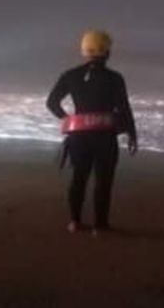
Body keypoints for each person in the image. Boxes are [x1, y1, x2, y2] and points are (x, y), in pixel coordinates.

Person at [46, 30, 138, 235]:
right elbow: (124, 108)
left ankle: (75, 222)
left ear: (84, 51)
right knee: (103, 181)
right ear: (107, 52)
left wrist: (68, 119)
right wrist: (131, 133)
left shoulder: (70, 75)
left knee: (78, 178)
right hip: (105, 137)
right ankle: (100, 226)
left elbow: (51, 103)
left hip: (78, 136)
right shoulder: (115, 78)